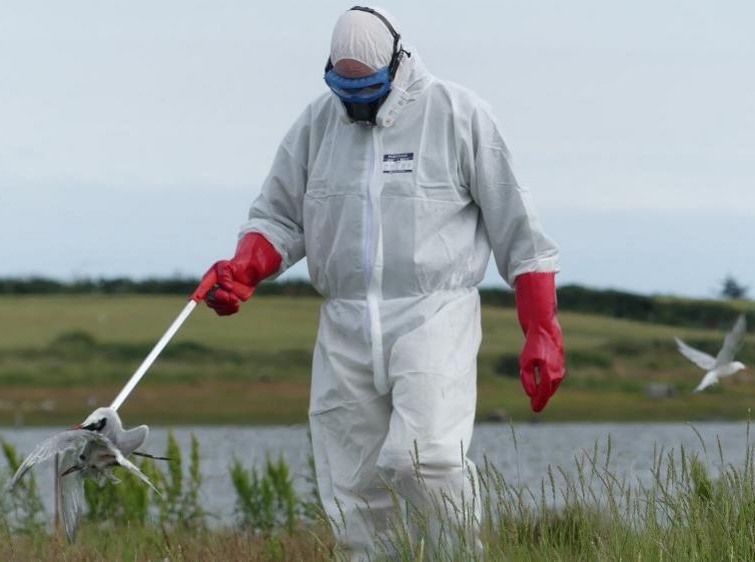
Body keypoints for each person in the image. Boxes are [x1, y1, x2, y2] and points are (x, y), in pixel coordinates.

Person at [198, 5, 565, 558]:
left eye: (368, 90)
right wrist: (245, 269)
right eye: (345, 90)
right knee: (353, 484)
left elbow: (520, 230)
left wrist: (542, 328)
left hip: (433, 314)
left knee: (425, 458)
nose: (357, 104)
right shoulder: (318, 124)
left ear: (397, 66)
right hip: (345, 322)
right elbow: (278, 217)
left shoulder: (458, 114)